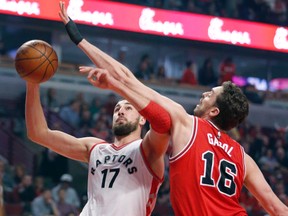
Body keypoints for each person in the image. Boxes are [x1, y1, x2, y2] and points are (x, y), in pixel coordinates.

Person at [58, 2, 288, 215]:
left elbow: (127, 78)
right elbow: (276, 207)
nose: (203, 94)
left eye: (210, 95)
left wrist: (79, 39)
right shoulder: (243, 156)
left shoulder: (186, 123)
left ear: (215, 111)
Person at [26, 5, 171, 216]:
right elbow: (38, 133)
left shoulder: (147, 150)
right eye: (117, 108)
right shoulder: (95, 148)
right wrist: (33, 83)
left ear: (142, 120)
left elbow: (163, 122)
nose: (120, 111)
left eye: (128, 108)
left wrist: (116, 85)